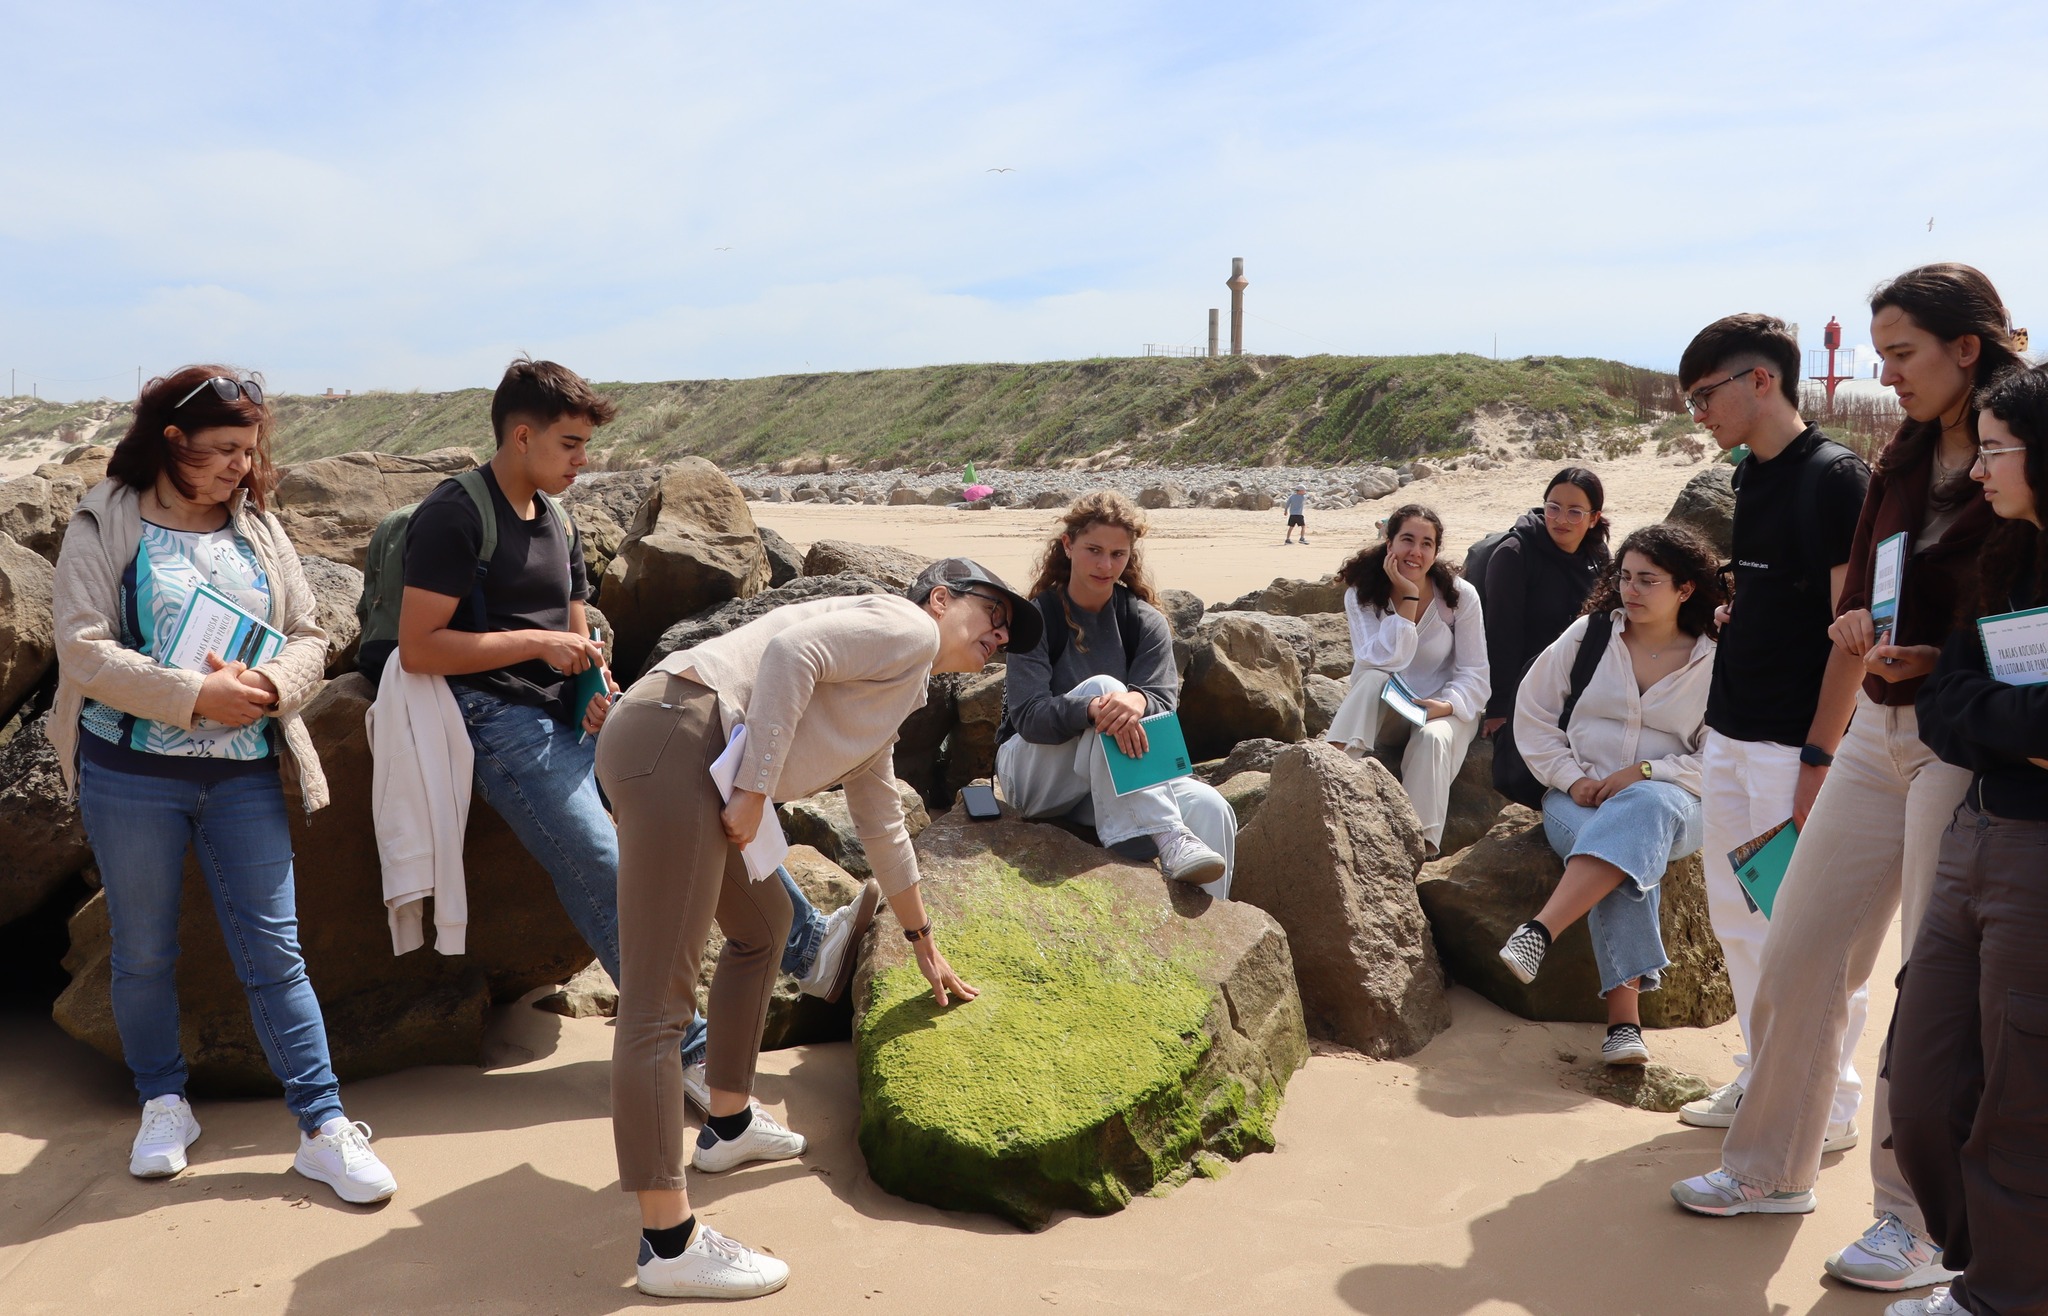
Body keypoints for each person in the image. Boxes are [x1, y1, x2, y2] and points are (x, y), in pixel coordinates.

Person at [393, 358, 875, 1116]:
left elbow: (575, 615)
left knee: (708, 791)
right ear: (522, 437)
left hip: (570, 714)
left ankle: (813, 947)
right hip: (496, 722)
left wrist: (593, 686)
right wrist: (535, 648)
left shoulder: (555, 516)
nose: (584, 460)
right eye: (571, 445)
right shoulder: (454, 514)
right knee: (607, 862)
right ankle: (684, 1052)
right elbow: (419, 645)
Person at [1671, 266, 2018, 1297]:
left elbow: (2020, 610)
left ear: (1966, 346)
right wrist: (1857, 639)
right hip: (1876, 720)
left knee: (1930, 984)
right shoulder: (1901, 453)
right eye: (1875, 353)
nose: (1884, 374)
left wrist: (1938, 659)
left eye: (1901, 352)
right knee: (1801, 940)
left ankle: (1911, 1219)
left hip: (1962, 736)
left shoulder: (2022, 438)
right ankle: (1766, 1165)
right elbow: (1873, 580)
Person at [597, 558, 1030, 1299]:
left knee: (766, 925)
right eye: (992, 612)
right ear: (939, 599)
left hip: (683, 745)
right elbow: (794, 655)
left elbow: (880, 815)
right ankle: (668, 1242)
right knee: (658, 1002)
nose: (1000, 633)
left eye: (1009, 633)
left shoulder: (897, 688)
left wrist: (923, 940)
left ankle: (728, 1124)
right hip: (683, 737)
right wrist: (756, 787)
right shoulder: (906, 628)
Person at [48, 367, 397, 1203]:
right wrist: (192, 695)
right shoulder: (105, 519)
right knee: (141, 951)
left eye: (252, 450)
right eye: (227, 450)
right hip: (130, 773)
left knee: (276, 952)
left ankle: (322, 1126)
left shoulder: (260, 528)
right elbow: (83, 648)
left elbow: (313, 632)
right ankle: (163, 1103)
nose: (245, 466)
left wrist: (275, 687)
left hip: (243, 771)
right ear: (174, 440)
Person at [1672, 314, 1872, 1137]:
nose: (1699, 413)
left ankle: (1832, 1097)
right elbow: (1777, 592)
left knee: (1804, 931)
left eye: (1706, 394)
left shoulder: (1834, 478)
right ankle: (1764, 1071)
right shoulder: (1749, 477)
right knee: (1737, 917)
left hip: (1794, 746)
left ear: (1763, 380)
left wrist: (1820, 758)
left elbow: (1850, 632)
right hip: (1730, 731)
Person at [1884, 362, 2048, 1316]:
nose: (1979, 470)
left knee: (2022, 1101)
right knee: (1925, 1084)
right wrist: (2015, 728)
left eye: (1996, 450)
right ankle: (1990, 1270)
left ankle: (2000, 1297)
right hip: (1976, 830)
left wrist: (1995, 717)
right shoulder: (2009, 558)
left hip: (2036, 862)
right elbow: (1946, 707)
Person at [1495, 524, 1721, 1065]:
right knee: (1620, 851)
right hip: (1575, 800)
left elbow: (1721, 755)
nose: (1631, 590)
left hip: (1676, 803)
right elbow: (1533, 715)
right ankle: (1624, 1029)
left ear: (1685, 588)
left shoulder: (1715, 657)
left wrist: (1644, 771)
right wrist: (1572, 777)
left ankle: (1540, 931)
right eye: (1624, 577)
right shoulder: (1590, 636)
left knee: (1642, 809)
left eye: (1649, 580)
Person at [996, 492, 1237, 895]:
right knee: (1107, 688)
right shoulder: (1036, 618)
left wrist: (1137, 701)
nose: (1106, 565)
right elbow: (1029, 717)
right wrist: (1094, 708)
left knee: (1213, 807)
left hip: (1111, 777)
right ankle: (1165, 834)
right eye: (1094, 550)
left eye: (1118, 554)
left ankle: (1217, 941)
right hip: (1035, 776)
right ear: (1068, 545)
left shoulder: (1143, 621)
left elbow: (1162, 705)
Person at [1323, 504, 1489, 855]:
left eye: (1426, 543)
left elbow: (1476, 673)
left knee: (1432, 739)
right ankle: (1333, 772)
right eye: (1407, 540)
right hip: (1392, 709)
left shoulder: (1459, 596)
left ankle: (1414, 846)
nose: (1416, 551)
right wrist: (1409, 597)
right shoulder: (1362, 594)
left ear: (1436, 551)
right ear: (1390, 544)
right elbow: (1382, 659)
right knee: (1369, 680)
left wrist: (1445, 706)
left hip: (1444, 707)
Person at [1480, 467, 1611, 738]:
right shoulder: (1513, 555)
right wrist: (1499, 708)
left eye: (1575, 511)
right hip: (1530, 685)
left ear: (1594, 518)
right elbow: (1501, 633)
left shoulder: (1597, 553)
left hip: (1580, 681)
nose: (1561, 519)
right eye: (1553, 508)